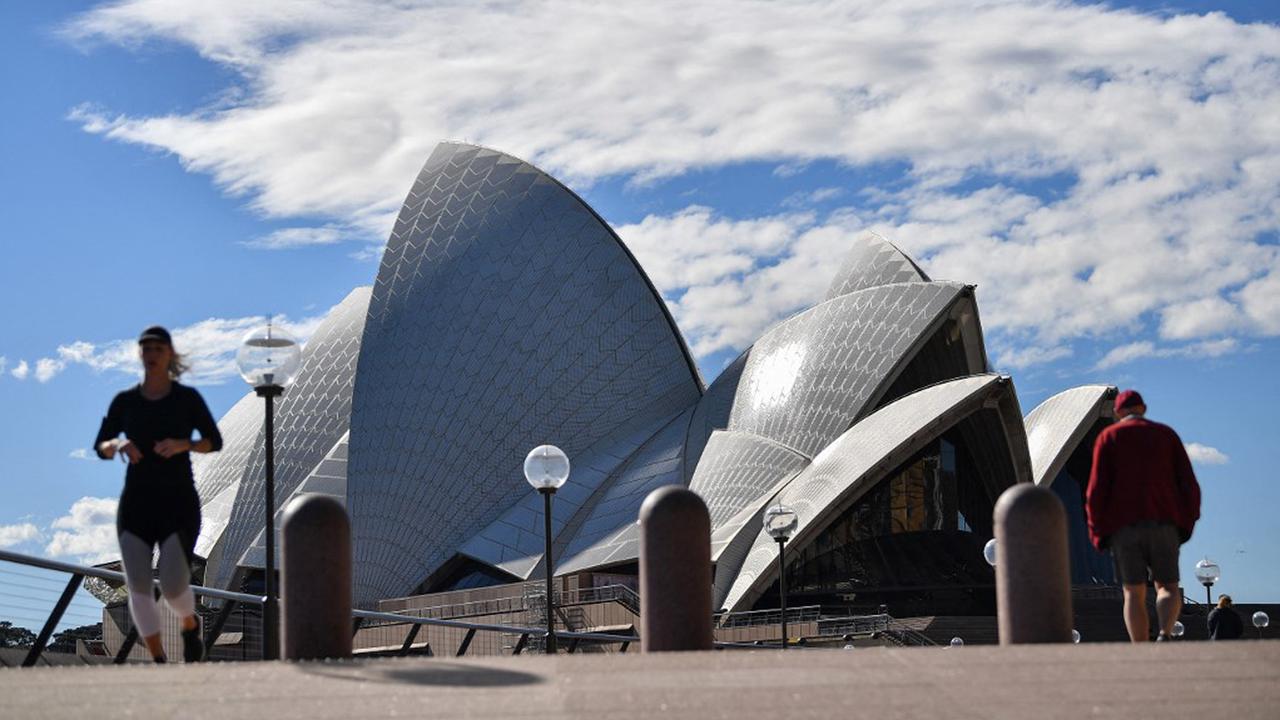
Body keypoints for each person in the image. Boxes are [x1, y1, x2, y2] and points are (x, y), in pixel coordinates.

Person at [95, 326, 222, 662]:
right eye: (145, 349)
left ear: (169, 354)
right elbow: (101, 446)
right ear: (141, 354)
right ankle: (159, 658)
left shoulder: (187, 399)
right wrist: (118, 443)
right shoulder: (125, 402)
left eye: (157, 349)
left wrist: (185, 443)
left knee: (172, 584)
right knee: (136, 583)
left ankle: (189, 624)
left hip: (178, 502)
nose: (150, 355)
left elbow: (215, 440)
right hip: (137, 502)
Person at [1086, 389, 1200, 643]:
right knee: (1168, 587)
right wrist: (1185, 523)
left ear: (1117, 413)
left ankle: (1141, 649)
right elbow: (1189, 486)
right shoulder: (1166, 435)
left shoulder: (1109, 437)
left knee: (1132, 592)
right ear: (1143, 408)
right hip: (1164, 525)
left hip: (1124, 529)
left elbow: (1096, 490)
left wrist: (1098, 532)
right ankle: (1164, 633)